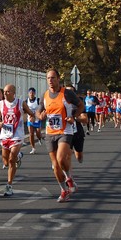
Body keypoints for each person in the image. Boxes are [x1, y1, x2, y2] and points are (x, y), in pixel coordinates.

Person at [37, 69, 83, 203]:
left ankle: (69, 178)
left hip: (65, 131)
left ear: (58, 78)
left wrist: (73, 116)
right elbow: (38, 112)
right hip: (50, 132)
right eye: (48, 78)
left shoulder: (67, 93)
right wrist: (40, 116)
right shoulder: (44, 95)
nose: (50, 81)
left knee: (61, 158)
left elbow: (81, 105)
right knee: (55, 165)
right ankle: (64, 190)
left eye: (53, 78)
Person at [0, 84, 35, 197]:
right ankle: (18, 156)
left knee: (11, 160)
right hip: (5, 135)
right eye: (5, 91)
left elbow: (30, 112)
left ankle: (9, 185)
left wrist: (32, 116)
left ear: (13, 93)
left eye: (8, 91)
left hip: (17, 135)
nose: (6, 93)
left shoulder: (20, 102)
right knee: (6, 161)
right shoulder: (1, 104)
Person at [26, 87, 42, 153]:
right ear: (28, 94)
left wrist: (37, 115)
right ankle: (33, 148)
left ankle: (39, 138)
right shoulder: (26, 101)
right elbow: (24, 109)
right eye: (30, 93)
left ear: (35, 93)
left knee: (38, 132)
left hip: (37, 119)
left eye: (32, 93)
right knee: (31, 133)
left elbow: (41, 109)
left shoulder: (38, 100)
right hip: (30, 120)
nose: (31, 94)